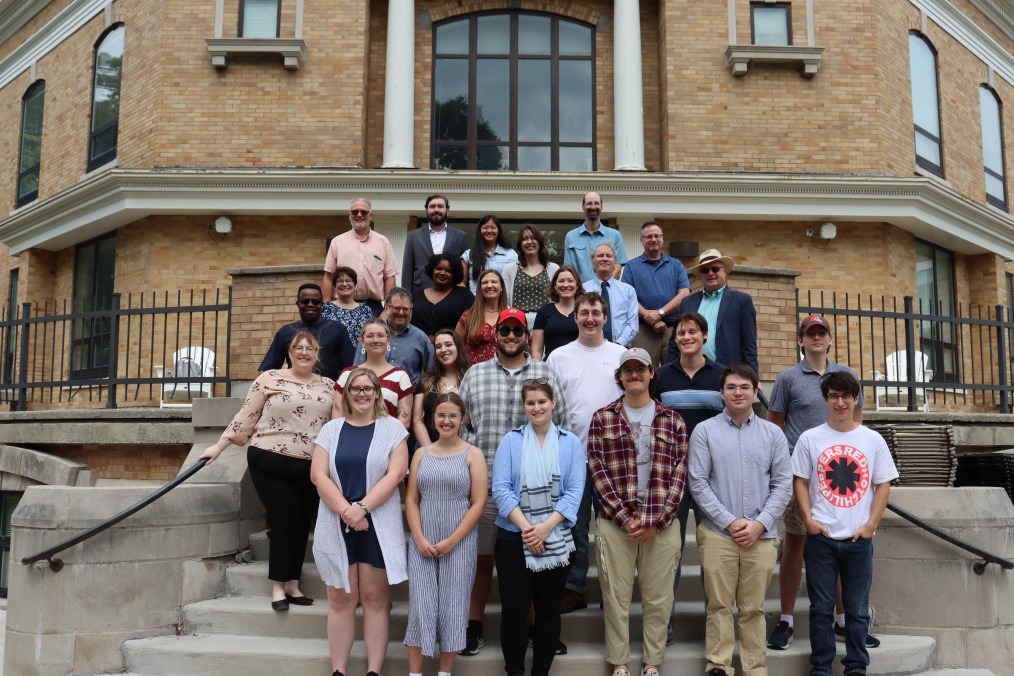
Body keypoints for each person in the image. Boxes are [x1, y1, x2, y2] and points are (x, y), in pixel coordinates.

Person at [456, 307, 571, 656]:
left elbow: (561, 422)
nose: (510, 336)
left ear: (525, 335)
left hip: (538, 492)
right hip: (485, 487)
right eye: (504, 330)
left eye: (516, 331)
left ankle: (537, 628)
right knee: (481, 559)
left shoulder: (544, 372)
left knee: (534, 559)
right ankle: (473, 626)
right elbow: (462, 426)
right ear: (496, 334)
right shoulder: (474, 375)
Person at [200, 331, 334, 610]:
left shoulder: (330, 387)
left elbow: (337, 427)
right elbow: (246, 415)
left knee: (300, 525)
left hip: (311, 467)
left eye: (311, 348)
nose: (304, 352)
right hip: (270, 461)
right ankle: (278, 589)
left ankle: (294, 585)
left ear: (317, 354)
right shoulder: (270, 378)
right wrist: (219, 446)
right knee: (284, 522)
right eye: (299, 347)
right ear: (290, 352)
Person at [767, 314, 870, 652]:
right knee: (796, 544)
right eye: (809, 333)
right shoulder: (788, 378)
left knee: (843, 545)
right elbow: (776, 427)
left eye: (821, 332)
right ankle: (786, 620)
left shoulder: (846, 376)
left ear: (829, 339)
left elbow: (857, 422)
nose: (815, 337)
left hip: (840, 476)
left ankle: (844, 621)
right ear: (800, 340)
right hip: (803, 476)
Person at [587, 347, 687, 676]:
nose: (634, 374)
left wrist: (655, 522)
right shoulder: (603, 418)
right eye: (627, 370)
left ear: (651, 373)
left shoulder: (672, 420)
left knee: (658, 599)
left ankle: (651, 662)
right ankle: (618, 662)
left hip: (661, 523)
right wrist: (625, 518)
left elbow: (680, 475)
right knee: (615, 598)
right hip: (616, 523)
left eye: (640, 369)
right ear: (620, 376)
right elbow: (597, 472)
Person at [792, 371, 898, 676]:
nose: (840, 402)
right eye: (834, 396)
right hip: (821, 537)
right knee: (820, 609)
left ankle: (856, 667)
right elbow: (799, 481)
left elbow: (883, 485)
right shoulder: (810, 438)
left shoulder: (872, 439)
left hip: (858, 539)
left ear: (855, 400)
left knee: (857, 610)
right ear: (825, 400)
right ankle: (821, 668)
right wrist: (809, 521)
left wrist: (870, 526)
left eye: (846, 396)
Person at [689, 364, 792, 676]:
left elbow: (783, 485)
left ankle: (754, 668)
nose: (738, 392)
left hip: (761, 537)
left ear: (755, 390)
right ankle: (718, 665)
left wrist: (759, 523)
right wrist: (730, 522)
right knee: (718, 606)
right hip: (719, 534)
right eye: (731, 387)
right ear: (721, 392)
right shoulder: (704, 431)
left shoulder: (773, 434)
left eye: (744, 387)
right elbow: (698, 483)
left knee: (752, 608)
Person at [311, 367, 410, 676]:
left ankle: (373, 671)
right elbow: (318, 475)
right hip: (337, 521)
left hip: (377, 525)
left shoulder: (392, 428)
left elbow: (396, 474)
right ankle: (338, 670)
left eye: (368, 389)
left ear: (377, 393)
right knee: (340, 598)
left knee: (374, 599)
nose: (362, 394)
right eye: (356, 389)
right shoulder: (331, 430)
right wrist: (347, 512)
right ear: (348, 394)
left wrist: (363, 509)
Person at [492, 379, 585, 676]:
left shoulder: (570, 442)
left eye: (542, 402)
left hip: (555, 536)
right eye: (530, 403)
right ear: (524, 406)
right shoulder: (512, 441)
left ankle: (540, 671)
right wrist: (528, 529)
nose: (536, 408)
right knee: (516, 610)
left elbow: (574, 492)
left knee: (547, 610)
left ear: (553, 403)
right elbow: (501, 490)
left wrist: (545, 528)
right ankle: (515, 671)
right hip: (512, 536)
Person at [547, 291, 625, 616]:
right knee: (574, 527)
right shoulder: (558, 357)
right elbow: (547, 407)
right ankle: (575, 588)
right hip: (571, 456)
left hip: (613, 459)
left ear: (605, 317)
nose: (590, 318)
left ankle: (614, 589)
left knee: (612, 529)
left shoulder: (621, 355)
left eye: (596, 312)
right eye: (584, 312)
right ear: (575, 317)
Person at [655, 311, 726, 644]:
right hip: (672, 477)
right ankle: (665, 619)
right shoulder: (662, 377)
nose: (685, 337)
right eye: (680, 333)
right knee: (670, 553)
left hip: (713, 478)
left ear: (704, 336)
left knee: (714, 552)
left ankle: (716, 620)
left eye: (692, 332)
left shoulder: (722, 376)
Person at [404, 392, 488, 676]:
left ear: (462, 419)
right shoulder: (420, 454)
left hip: (459, 542)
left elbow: (478, 503)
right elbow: (412, 500)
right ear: (433, 419)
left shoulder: (472, 454)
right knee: (421, 606)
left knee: (453, 607)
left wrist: (452, 541)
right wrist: (418, 538)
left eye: (453, 415)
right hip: (423, 540)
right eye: (441, 415)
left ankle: (444, 673)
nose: (447, 420)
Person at [667, 249, 758, 374]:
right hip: (689, 372)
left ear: (724, 271)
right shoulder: (687, 302)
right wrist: (671, 372)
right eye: (705, 270)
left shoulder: (741, 301)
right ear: (700, 275)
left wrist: (753, 376)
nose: (710, 273)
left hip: (728, 373)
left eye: (715, 269)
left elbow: (749, 344)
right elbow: (674, 341)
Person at [622, 221, 691, 366]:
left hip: (673, 329)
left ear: (662, 238)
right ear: (642, 240)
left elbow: (684, 293)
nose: (653, 239)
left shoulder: (676, 264)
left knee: (676, 370)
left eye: (657, 236)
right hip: (643, 330)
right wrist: (649, 317)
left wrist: (660, 313)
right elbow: (627, 297)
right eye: (649, 237)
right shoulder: (631, 266)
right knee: (643, 371)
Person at [260, 283, 354, 381]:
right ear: (298, 304)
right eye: (305, 301)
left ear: (321, 304)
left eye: (315, 301)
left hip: (328, 391)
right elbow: (267, 370)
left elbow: (349, 368)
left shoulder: (337, 329)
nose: (310, 304)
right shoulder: (285, 332)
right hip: (294, 390)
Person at [322, 198, 398, 316]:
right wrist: (326, 307)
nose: (359, 215)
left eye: (363, 212)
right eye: (355, 212)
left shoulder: (383, 242)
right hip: (343, 305)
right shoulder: (337, 242)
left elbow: (389, 277)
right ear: (349, 215)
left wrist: (387, 309)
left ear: (370, 216)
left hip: (374, 308)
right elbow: (329, 275)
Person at [338, 318, 413, 431]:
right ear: (362, 341)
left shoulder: (401, 376)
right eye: (370, 336)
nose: (375, 340)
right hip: (351, 440)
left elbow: (404, 422)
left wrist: (380, 441)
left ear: (388, 340)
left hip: (388, 443)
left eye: (380, 335)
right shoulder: (347, 374)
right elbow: (337, 417)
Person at [355, 287, 434, 387]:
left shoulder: (421, 338)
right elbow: (357, 369)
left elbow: (431, 374)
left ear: (411, 310)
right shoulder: (371, 334)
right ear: (387, 308)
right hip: (372, 395)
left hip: (408, 397)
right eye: (397, 308)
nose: (401, 312)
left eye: (405, 309)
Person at [413, 329, 470, 447]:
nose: (443, 350)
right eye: (438, 346)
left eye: (448, 344)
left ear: (458, 347)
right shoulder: (426, 381)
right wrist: (429, 451)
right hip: (429, 448)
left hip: (464, 450)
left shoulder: (471, 378)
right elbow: (418, 420)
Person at [402, 195, 470, 293]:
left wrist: (464, 295)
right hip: (420, 292)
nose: (436, 210)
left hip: (452, 293)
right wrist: (406, 297)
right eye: (432, 206)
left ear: (447, 210)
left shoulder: (461, 236)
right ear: (426, 211)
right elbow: (407, 271)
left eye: (440, 206)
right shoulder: (413, 236)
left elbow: (466, 270)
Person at [502, 223, 559, 328]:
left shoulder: (553, 269)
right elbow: (505, 301)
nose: (529, 242)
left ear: (539, 242)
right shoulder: (509, 269)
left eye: (533, 238)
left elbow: (557, 299)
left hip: (546, 323)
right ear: (520, 244)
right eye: (524, 239)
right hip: (517, 323)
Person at [582, 242, 638, 348]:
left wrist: (617, 346)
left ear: (615, 263)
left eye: (609, 256)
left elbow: (633, 324)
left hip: (621, 349)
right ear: (593, 263)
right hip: (590, 348)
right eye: (600, 256)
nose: (605, 259)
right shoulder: (582, 290)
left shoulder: (628, 291)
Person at [564, 191, 627, 283]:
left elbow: (618, 267)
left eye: (596, 203)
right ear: (583, 207)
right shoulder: (571, 237)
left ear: (601, 207)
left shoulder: (615, 235)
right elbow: (569, 269)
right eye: (589, 203)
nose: (593, 207)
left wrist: (603, 286)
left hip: (606, 293)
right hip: (581, 294)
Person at [411, 253, 474, 339]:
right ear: (432, 270)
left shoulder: (465, 296)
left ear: (454, 274)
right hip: (417, 348)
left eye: (448, 271)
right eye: (439, 268)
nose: (442, 273)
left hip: (451, 349)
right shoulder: (416, 295)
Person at [456, 269, 507, 366]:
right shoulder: (469, 316)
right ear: (480, 288)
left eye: (494, 282)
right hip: (475, 375)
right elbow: (457, 347)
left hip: (505, 374)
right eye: (484, 282)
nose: (489, 285)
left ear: (502, 288)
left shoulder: (511, 315)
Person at [530, 264, 580, 360]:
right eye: (561, 281)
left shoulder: (584, 311)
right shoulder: (544, 311)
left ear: (577, 285)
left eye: (570, 281)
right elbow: (537, 349)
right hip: (551, 368)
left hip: (579, 366)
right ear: (555, 286)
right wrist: (540, 372)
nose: (566, 285)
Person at [462, 215, 518, 294]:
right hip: (476, 303)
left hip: (503, 303)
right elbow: (460, 284)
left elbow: (517, 282)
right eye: (485, 227)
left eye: (493, 227)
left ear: (498, 230)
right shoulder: (468, 255)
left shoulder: (511, 254)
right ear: (479, 231)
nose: (489, 231)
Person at [322, 266, 374, 349]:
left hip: (359, 357)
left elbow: (371, 335)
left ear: (355, 285)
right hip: (333, 357)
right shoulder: (326, 308)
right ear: (334, 287)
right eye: (340, 281)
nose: (344, 284)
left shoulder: (365, 309)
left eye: (348, 280)